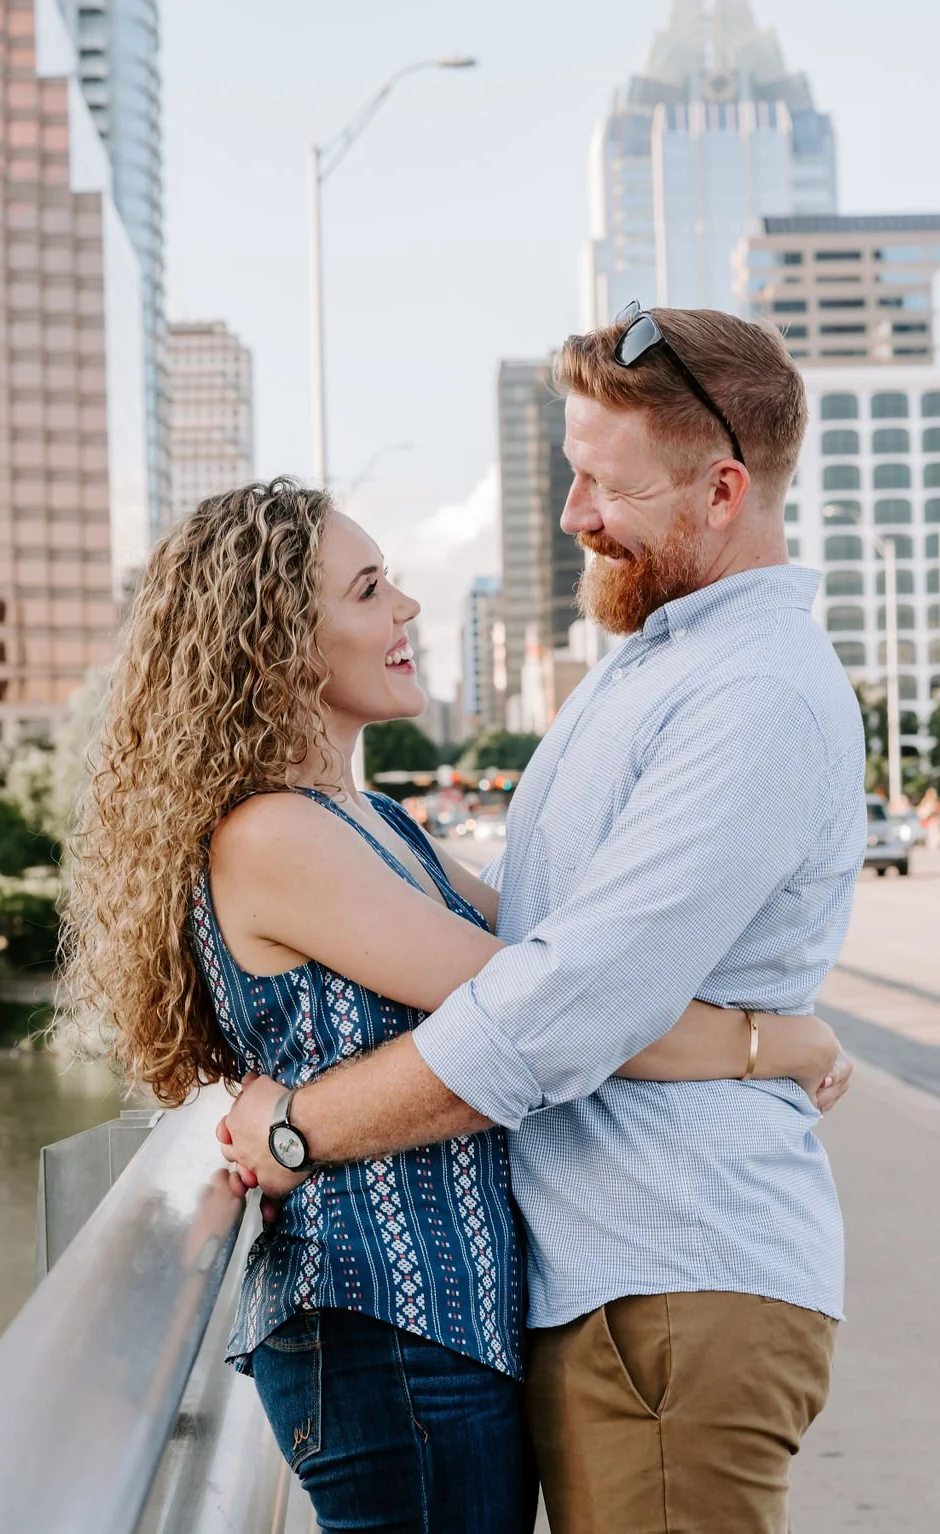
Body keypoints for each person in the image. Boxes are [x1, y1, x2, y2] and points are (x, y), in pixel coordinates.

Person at [59, 476, 847, 1534]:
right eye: (369, 590)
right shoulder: (272, 837)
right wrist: (772, 1045)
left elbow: (568, 963)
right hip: (382, 1327)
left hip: (443, 1327)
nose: (407, 611)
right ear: (280, 641)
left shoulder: (372, 820)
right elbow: (547, 1011)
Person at [220, 307, 867, 1534]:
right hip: (611, 1282)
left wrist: (301, 1131)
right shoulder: (649, 666)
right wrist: (765, 1038)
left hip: (675, 1273)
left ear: (721, 490)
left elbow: (558, 1005)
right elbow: (540, 932)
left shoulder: (756, 694)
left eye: (600, 484)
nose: (572, 513)